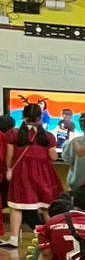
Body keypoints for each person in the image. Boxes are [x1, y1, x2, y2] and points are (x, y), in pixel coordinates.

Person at [4, 104, 62, 249]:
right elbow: (53, 157)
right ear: (40, 118)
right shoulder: (48, 136)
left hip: (21, 173)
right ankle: (54, 238)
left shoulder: (13, 135)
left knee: (17, 206)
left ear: (23, 116)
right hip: (44, 174)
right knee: (46, 207)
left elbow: (9, 156)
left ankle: (14, 239)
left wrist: (9, 169)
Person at [63, 113, 85, 192]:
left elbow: (67, 159)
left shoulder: (76, 141)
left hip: (77, 183)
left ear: (82, 126)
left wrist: (65, 145)